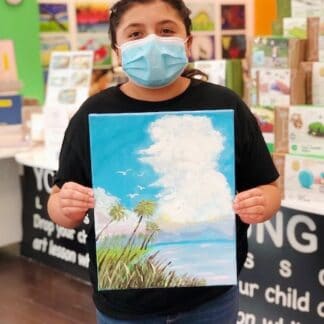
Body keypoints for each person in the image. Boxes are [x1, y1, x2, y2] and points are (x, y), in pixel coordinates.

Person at [47, 0, 281, 323]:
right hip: (125, 308)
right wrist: (65, 207)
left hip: (210, 301)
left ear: (187, 42)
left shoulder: (225, 105)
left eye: (166, 30)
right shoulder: (91, 115)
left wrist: (263, 203)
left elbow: (269, 186)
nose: (151, 41)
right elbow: (58, 203)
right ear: (117, 51)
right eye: (135, 33)